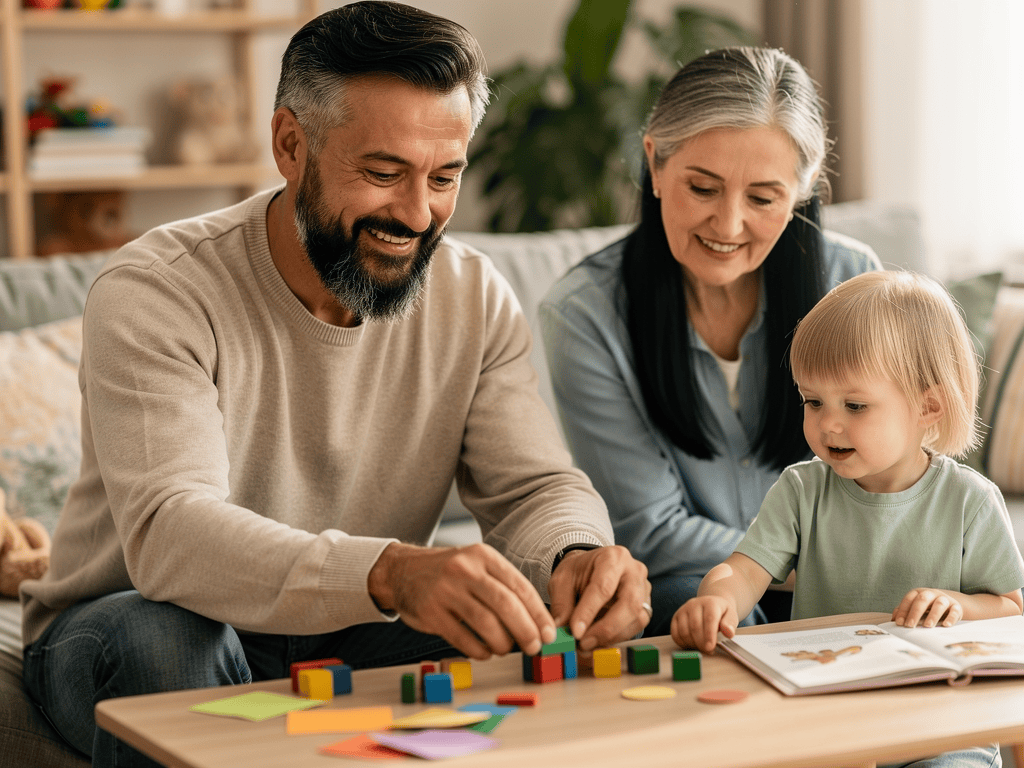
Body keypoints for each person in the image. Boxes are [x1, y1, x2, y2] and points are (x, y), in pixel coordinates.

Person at [19, 3, 650, 766]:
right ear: (291, 145)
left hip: (349, 629)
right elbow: (171, 534)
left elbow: (533, 488)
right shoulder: (157, 290)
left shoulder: (474, 295)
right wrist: (389, 571)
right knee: (167, 640)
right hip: (136, 619)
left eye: (444, 177)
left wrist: (576, 555)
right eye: (383, 173)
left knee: (540, 629)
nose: (417, 214)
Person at [539, 46, 881, 636]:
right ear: (655, 161)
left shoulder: (854, 284)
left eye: (763, 198)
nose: (728, 226)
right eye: (703, 188)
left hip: (852, 574)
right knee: (705, 608)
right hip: (700, 582)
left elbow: (897, 470)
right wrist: (809, 565)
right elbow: (650, 528)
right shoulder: (585, 313)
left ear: (800, 192)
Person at [673, 270, 1024, 768]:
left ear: (928, 405)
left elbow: (1012, 608)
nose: (827, 423)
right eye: (813, 401)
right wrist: (715, 599)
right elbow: (744, 570)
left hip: (941, 726)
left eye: (854, 405)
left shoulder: (970, 500)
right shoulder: (801, 488)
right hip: (826, 717)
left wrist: (958, 604)